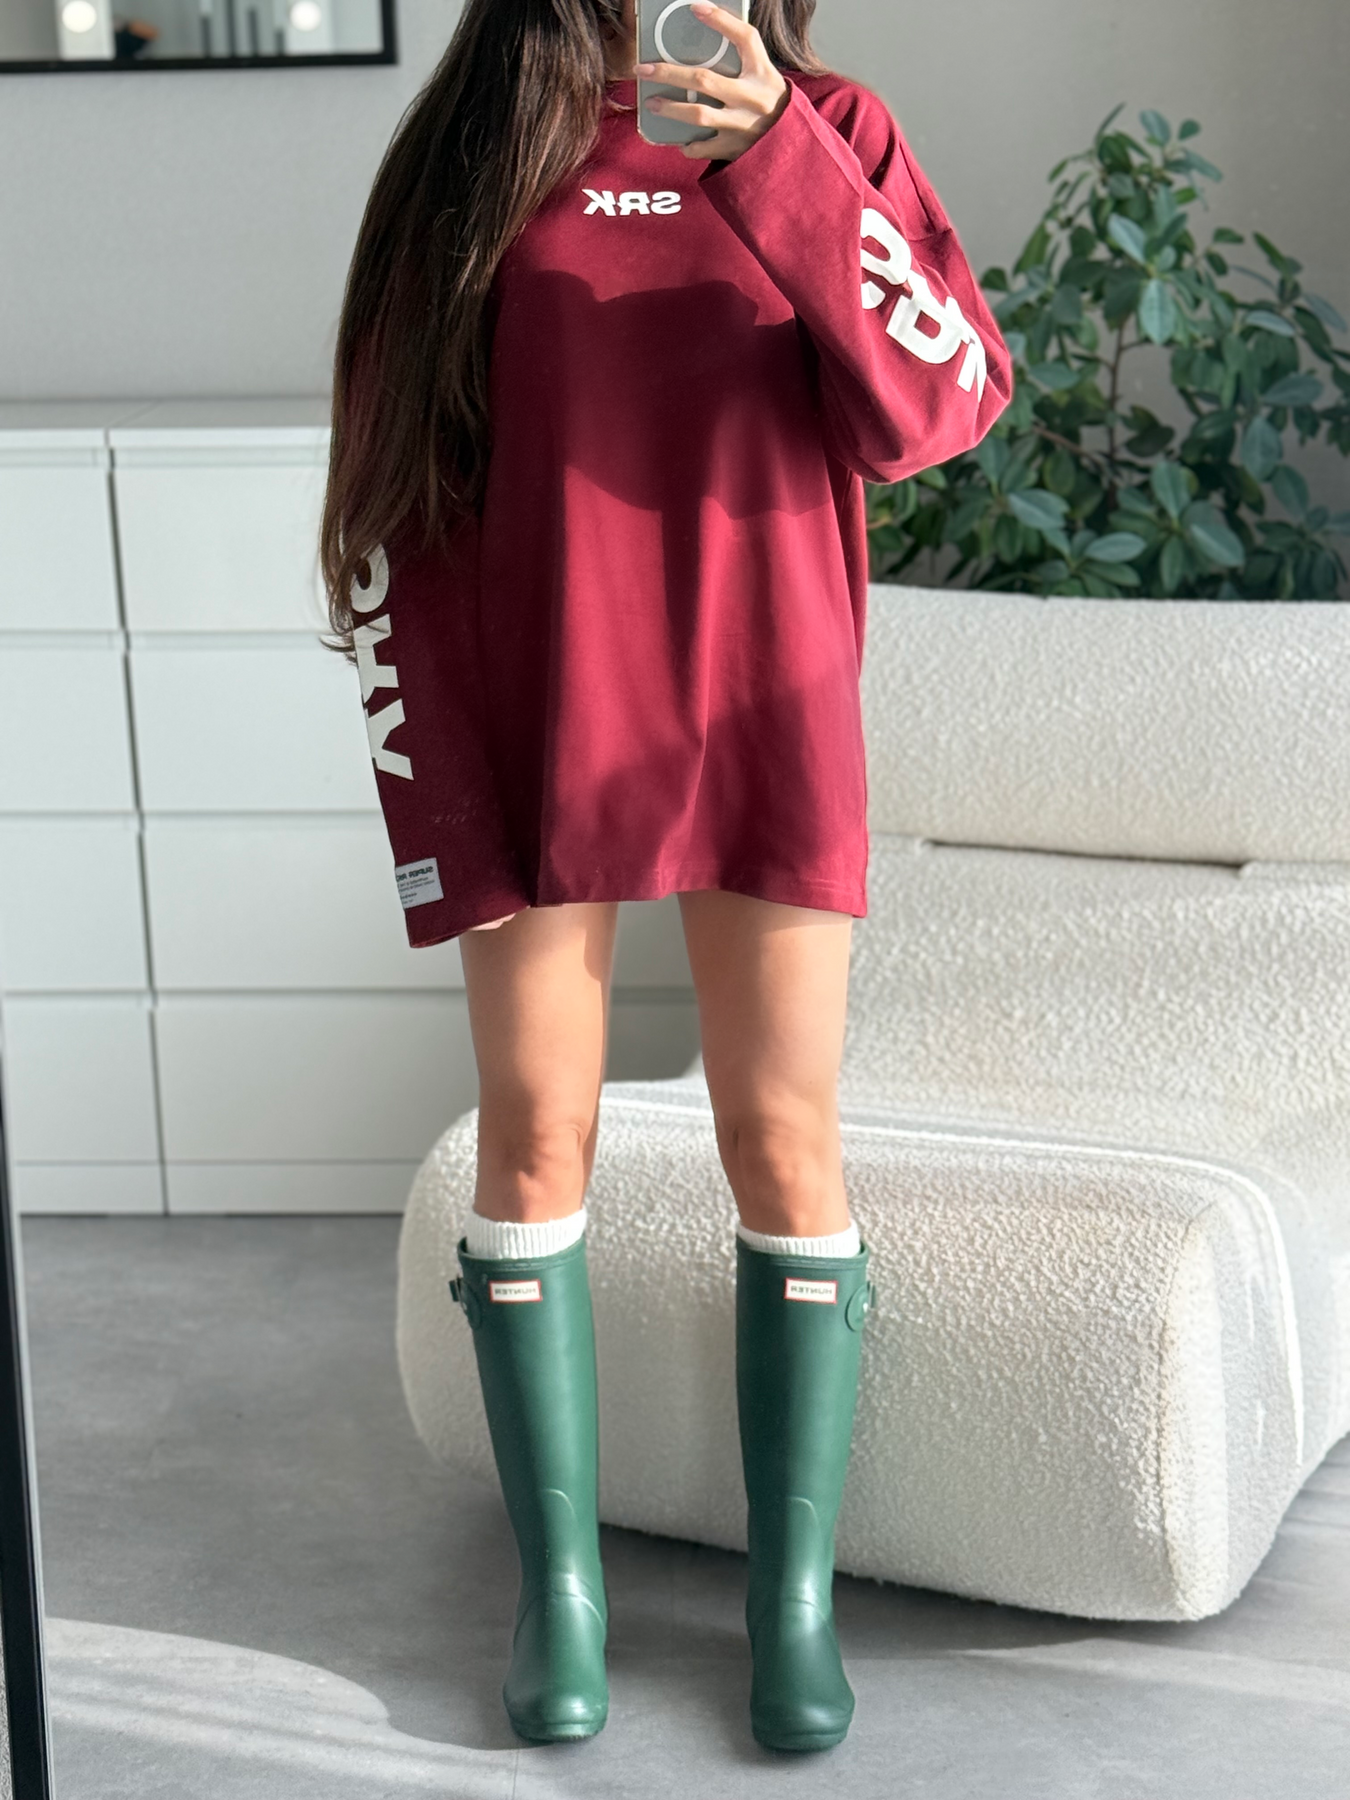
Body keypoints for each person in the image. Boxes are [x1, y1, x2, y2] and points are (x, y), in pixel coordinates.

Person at [321, 0, 1011, 1754]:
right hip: (546, 711)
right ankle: (560, 1597)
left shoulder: (831, 126)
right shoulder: (477, 154)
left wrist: (778, 156)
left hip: (772, 707)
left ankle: (793, 1606)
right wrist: (434, 789)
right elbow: (389, 501)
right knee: (532, 1134)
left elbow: (944, 400)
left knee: (779, 1138)